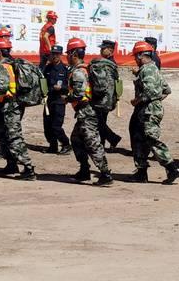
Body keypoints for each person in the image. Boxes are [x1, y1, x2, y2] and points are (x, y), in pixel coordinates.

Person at [129, 40, 179, 184]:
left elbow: (151, 92)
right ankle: (141, 172)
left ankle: (172, 168)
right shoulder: (152, 69)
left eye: (135, 56)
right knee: (138, 138)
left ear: (140, 55)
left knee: (151, 139)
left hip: (148, 111)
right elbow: (166, 90)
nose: (134, 59)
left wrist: (138, 100)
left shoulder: (147, 70)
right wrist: (157, 101)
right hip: (146, 110)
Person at [0, 38, 35, 180]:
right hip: (7, 104)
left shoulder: (2, 66)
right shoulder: (9, 64)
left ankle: (28, 168)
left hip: (10, 106)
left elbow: (1, 88)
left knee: (13, 137)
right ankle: (11, 163)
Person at [66, 38, 112, 185]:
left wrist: (66, 97)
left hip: (87, 113)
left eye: (68, 53)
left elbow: (79, 94)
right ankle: (84, 170)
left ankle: (105, 174)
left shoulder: (79, 72)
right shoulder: (83, 69)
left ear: (74, 54)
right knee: (75, 139)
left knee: (93, 143)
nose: (67, 56)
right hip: (83, 113)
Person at [42, 45, 72, 155]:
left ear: (60, 55)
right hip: (49, 100)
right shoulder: (48, 68)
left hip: (59, 101)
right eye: (53, 54)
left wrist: (62, 88)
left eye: (57, 54)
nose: (54, 56)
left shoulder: (65, 70)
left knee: (56, 126)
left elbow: (69, 86)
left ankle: (66, 144)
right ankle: (52, 146)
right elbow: (43, 83)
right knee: (47, 125)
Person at [95, 40, 122, 151]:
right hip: (105, 97)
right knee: (100, 121)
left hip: (105, 98)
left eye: (103, 48)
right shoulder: (106, 62)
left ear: (110, 50)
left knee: (99, 121)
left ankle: (112, 139)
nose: (101, 50)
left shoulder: (109, 64)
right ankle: (105, 141)